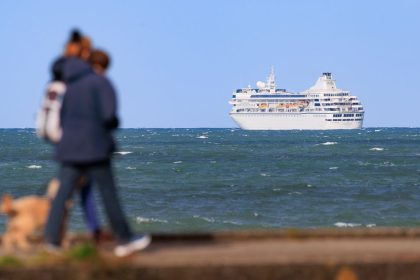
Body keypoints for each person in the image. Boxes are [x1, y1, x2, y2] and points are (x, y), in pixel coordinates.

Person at [44, 30, 150, 257]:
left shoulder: (67, 82)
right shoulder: (99, 82)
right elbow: (109, 116)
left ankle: (51, 241)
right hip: (94, 147)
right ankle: (124, 240)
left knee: (62, 195)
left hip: (69, 147)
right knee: (108, 193)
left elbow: (63, 116)